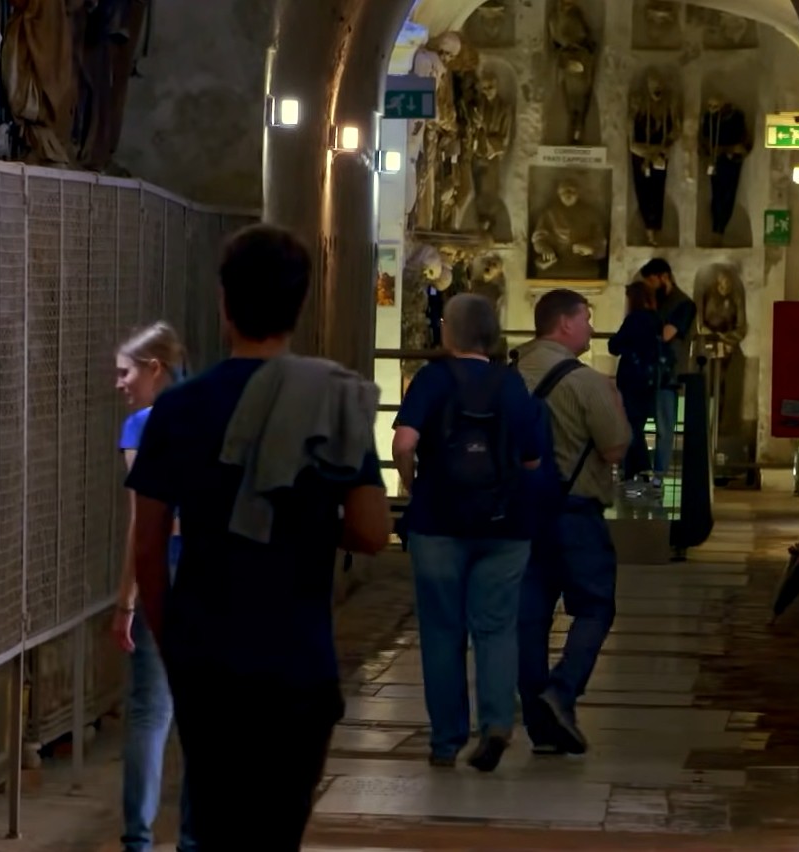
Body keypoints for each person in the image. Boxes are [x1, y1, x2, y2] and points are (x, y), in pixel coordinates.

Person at [126, 224, 391, 851]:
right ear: (301, 304)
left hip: (210, 654)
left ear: (224, 302)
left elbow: (148, 546)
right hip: (297, 656)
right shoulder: (330, 398)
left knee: (215, 825)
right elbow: (372, 531)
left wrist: (173, 640)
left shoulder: (180, 408)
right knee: (276, 834)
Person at [391, 294, 545, 772]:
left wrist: (415, 483)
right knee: (496, 627)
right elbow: (533, 459)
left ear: (447, 332)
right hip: (505, 525)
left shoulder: (433, 379)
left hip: (438, 523)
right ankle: (496, 721)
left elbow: (404, 441)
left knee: (441, 631)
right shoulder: (512, 383)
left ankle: (445, 741)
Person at [513, 289, 632, 755]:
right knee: (595, 605)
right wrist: (615, 399)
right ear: (563, 324)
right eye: (586, 317)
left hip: (522, 515)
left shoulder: (510, 375)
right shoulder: (586, 382)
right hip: (575, 513)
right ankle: (561, 691)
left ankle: (541, 728)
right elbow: (616, 447)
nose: (591, 326)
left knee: (530, 619)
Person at [112, 322, 195, 852]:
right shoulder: (211, 414)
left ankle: (137, 839)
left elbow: (144, 522)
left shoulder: (142, 426)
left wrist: (126, 599)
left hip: (164, 565)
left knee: (150, 709)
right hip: (213, 569)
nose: (119, 383)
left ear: (153, 368)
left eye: (125, 372)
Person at [608, 281, 667, 487]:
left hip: (632, 378)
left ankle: (638, 467)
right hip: (650, 379)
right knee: (637, 423)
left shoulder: (634, 319)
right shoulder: (655, 319)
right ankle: (634, 469)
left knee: (631, 424)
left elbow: (614, 346)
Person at [640, 258, 696, 476]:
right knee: (634, 426)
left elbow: (667, 335)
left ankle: (658, 478)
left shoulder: (683, 304)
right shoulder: (657, 302)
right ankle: (643, 474)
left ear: (665, 277)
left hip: (667, 376)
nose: (650, 287)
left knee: (664, 430)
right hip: (648, 373)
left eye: (652, 281)